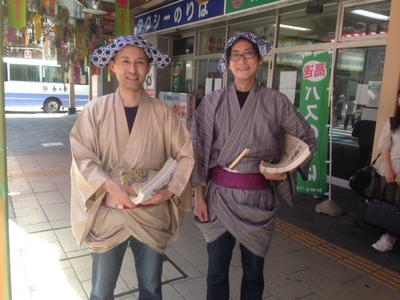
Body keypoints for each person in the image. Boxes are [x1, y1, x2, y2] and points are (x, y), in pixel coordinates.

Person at [190, 32, 317, 300]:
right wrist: (198, 197)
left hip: (258, 199)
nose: (242, 60)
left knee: (253, 274)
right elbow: (197, 150)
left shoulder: (276, 101)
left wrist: (286, 168)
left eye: (248, 54)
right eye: (235, 55)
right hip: (219, 199)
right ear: (228, 63)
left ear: (259, 60)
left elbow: (306, 140)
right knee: (216, 272)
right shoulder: (212, 102)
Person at [69, 35, 194, 300]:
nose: (132, 69)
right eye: (125, 61)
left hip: (151, 213)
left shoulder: (163, 113)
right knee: (101, 292)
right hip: (109, 215)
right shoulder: (95, 110)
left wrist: (171, 191)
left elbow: (185, 154)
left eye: (140, 62)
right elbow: (83, 155)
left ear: (149, 68)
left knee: (151, 289)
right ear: (112, 66)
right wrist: (110, 185)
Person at [373, 90, 400, 252]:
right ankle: (389, 237)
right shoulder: (392, 122)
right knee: (389, 202)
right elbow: (384, 146)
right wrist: (389, 170)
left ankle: (392, 236)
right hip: (390, 167)